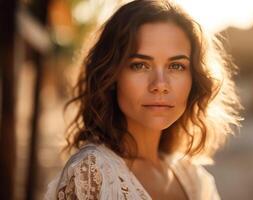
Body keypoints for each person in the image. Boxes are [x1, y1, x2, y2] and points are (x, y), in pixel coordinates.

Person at [45, 0, 242, 199]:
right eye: (140, 65)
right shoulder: (92, 174)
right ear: (112, 76)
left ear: (194, 79)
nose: (160, 84)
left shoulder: (195, 179)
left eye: (176, 66)